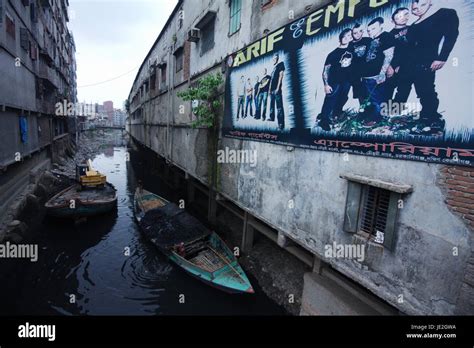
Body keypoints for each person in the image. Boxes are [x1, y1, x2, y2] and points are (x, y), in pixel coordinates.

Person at [407, 0, 459, 132]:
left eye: (422, 5)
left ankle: (433, 120)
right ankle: (425, 119)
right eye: (414, 8)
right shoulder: (413, 25)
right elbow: (410, 46)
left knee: (427, 90)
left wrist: (442, 57)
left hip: (427, 61)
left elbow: (451, 35)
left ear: (429, 2)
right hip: (411, 63)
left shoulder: (445, 13)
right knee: (421, 91)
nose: (417, 9)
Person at [315, 28, 354, 131]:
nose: (347, 38)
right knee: (330, 101)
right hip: (334, 82)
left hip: (347, 81)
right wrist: (326, 84)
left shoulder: (352, 49)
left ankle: (336, 114)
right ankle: (324, 120)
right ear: (341, 37)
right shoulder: (333, 54)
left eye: (349, 36)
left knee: (343, 98)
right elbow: (325, 70)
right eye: (345, 36)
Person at [359, 17, 395, 124]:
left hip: (376, 76)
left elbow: (389, 55)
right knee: (370, 100)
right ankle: (374, 118)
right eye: (369, 30)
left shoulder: (386, 36)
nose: (370, 32)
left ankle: (377, 120)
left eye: (373, 29)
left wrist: (382, 73)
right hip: (366, 77)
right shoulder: (371, 40)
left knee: (377, 100)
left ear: (381, 27)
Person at [386, 7, 413, 106]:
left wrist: (402, 65)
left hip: (409, 65)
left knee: (404, 89)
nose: (403, 18)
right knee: (388, 88)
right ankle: (385, 113)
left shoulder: (413, 29)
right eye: (399, 16)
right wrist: (392, 66)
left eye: (405, 14)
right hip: (392, 67)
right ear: (392, 20)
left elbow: (415, 49)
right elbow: (388, 54)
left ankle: (396, 112)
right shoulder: (389, 35)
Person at [349, 23, 372, 105]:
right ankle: (363, 112)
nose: (358, 34)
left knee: (371, 93)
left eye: (360, 31)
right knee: (360, 94)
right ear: (352, 34)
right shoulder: (349, 45)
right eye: (355, 33)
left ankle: (374, 112)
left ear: (362, 32)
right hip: (355, 74)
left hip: (368, 71)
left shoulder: (368, 40)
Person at [268, 53, 285, 130]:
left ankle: (281, 124)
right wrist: (269, 90)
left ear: (277, 58)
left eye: (275, 58)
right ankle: (271, 117)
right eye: (273, 59)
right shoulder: (274, 68)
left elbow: (281, 76)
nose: (274, 60)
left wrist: (278, 88)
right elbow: (271, 81)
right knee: (271, 105)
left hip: (276, 90)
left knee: (279, 107)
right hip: (271, 91)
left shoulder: (281, 64)